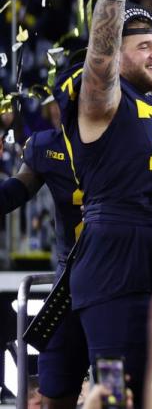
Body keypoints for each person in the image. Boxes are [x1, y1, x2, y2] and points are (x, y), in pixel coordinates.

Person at [59, 0, 152, 404]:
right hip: (116, 255)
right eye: (143, 46)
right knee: (113, 392)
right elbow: (99, 55)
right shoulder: (103, 102)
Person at [0, 56, 86, 409]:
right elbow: (17, 190)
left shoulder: (140, 137)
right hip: (72, 280)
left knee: (119, 382)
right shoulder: (47, 146)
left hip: (122, 275)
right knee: (54, 387)